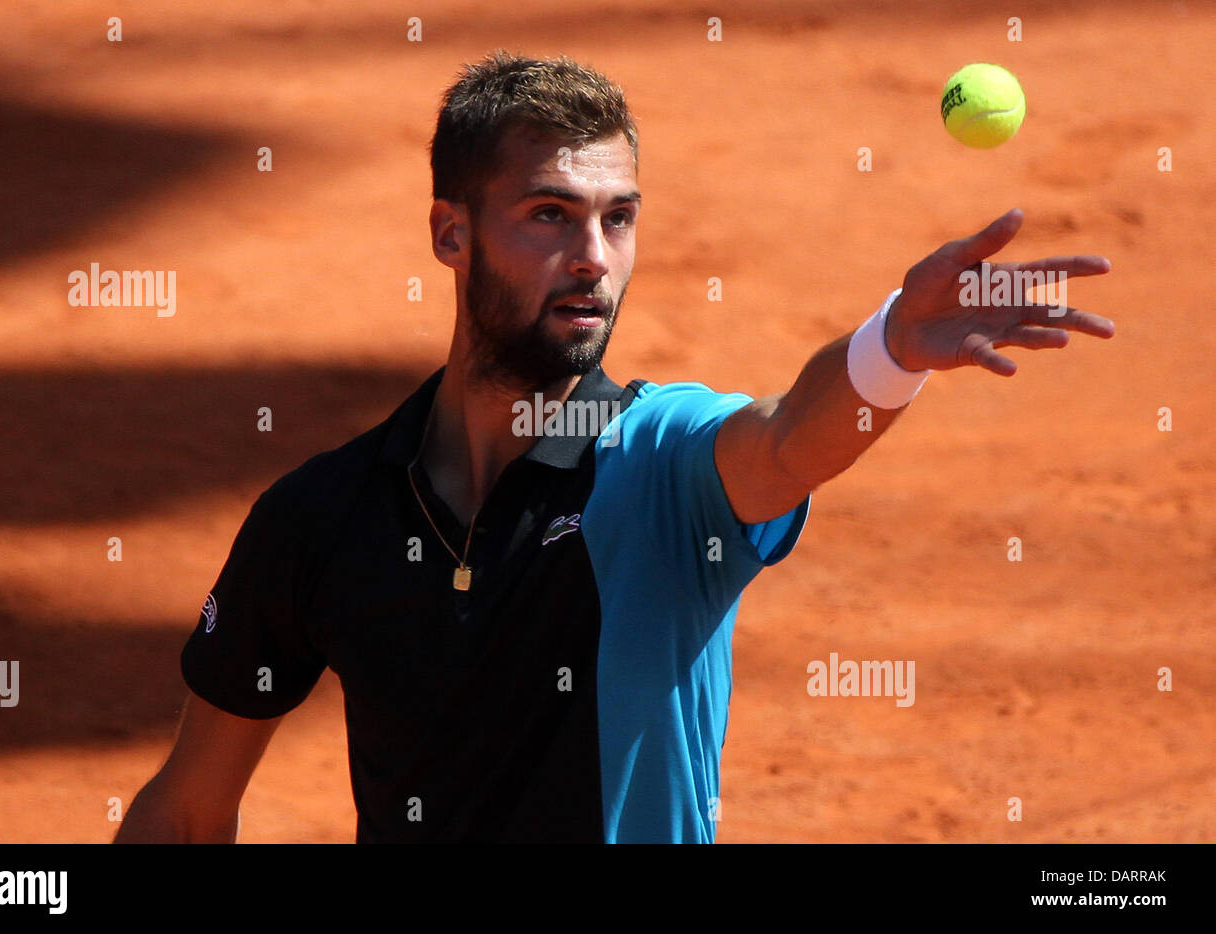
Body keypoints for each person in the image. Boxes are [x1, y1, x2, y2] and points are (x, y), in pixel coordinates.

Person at [115, 50, 1113, 844]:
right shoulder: (321, 518)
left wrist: (888, 349)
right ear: (449, 233)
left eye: (618, 218)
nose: (593, 257)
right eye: (550, 215)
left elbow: (786, 441)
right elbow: (190, 811)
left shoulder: (660, 466)